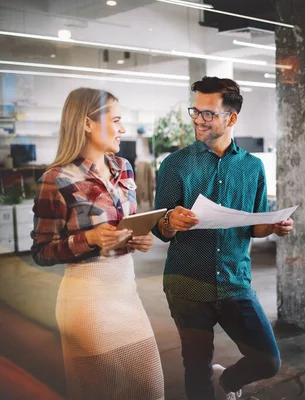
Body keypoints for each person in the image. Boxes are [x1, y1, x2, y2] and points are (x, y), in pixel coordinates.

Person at [152, 77, 294, 400]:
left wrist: (272, 226)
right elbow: (159, 229)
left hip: (234, 281)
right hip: (188, 283)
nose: (198, 120)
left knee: (268, 359)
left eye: (208, 114)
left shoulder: (252, 168)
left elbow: (253, 227)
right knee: (197, 371)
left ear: (231, 118)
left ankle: (227, 383)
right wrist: (170, 221)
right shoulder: (174, 166)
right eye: (195, 111)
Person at [31, 87, 164, 400]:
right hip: (87, 304)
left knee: (152, 390)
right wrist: (88, 238)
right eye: (116, 120)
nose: (123, 129)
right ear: (87, 123)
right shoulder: (57, 178)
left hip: (127, 295)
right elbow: (41, 251)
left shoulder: (125, 168)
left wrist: (136, 239)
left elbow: (123, 227)